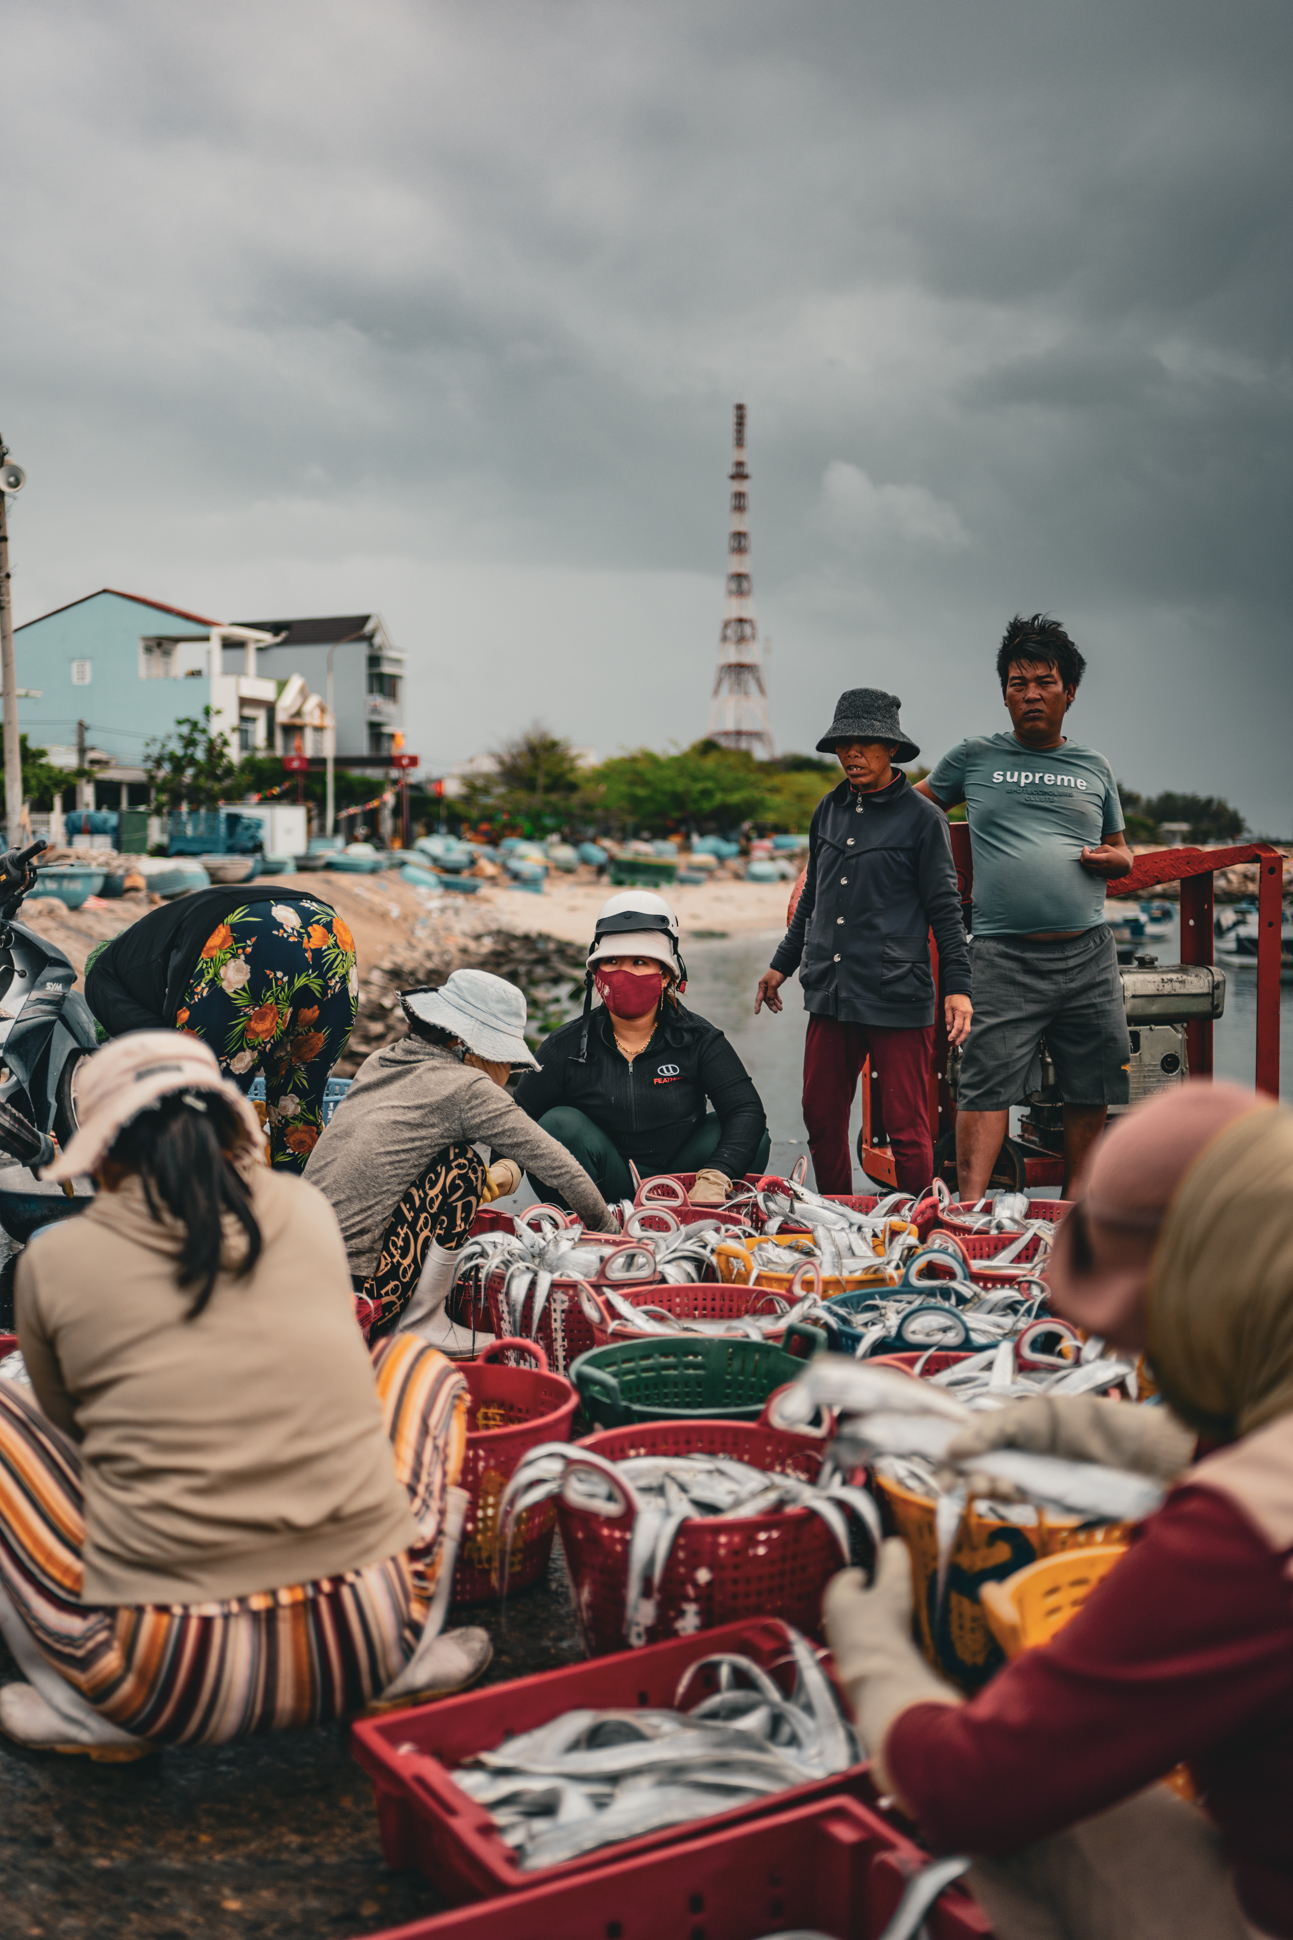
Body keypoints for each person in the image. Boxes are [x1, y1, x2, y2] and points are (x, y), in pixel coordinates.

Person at [822, 1079, 1293, 1940]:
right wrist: (1065, 1423)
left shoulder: (1239, 1541)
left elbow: (973, 1784)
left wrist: (872, 1649)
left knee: (1019, 1822)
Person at [0, 1032, 490, 1759]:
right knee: (415, 1365)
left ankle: (86, 1716)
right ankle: (411, 1663)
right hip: (370, 1641)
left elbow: (72, 1430)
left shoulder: (59, 1257)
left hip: (160, 1685)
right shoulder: (301, 1209)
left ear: (101, 1150)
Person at [915, 614, 1133, 1199]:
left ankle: (1076, 1213)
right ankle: (968, 1212)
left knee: (1092, 1088)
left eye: (1044, 680)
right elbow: (910, 814)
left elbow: (1120, 848)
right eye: (1018, 682)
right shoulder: (974, 756)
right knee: (984, 1087)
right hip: (1001, 954)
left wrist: (1120, 863)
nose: (1031, 693)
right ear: (1004, 693)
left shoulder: (1095, 766)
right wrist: (829, 856)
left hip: (1088, 954)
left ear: (1070, 691)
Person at [305, 968, 617, 1350]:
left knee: (453, 1157)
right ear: (463, 1045)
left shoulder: (380, 1061)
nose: (508, 1072)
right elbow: (559, 1167)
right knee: (464, 1167)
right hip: (362, 1292)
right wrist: (610, 1231)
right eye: (504, 1059)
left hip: (302, 1266)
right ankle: (422, 1322)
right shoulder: (469, 1089)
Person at [755, 689, 972, 1194]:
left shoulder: (924, 820)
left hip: (898, 992)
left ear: (892, 749)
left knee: (908, 1127)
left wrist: (958, 988)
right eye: (844, 743)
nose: (853, 754)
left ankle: (919, 1222)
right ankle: (836, 1209)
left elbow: (946, 912)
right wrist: (780, 965)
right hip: (831, 990)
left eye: (866, 743)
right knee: (821, 1115)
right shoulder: (827, 809)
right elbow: (812, 898)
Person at [513, 892, 770, 1208]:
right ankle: (591, 1225)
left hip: (683, 1187)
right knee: (558, 1123)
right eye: (611, 961)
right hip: (602, 1190)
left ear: (664, 975)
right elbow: (517, 1117)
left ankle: (701, 1210)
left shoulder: (698, 1039)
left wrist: (717, 1174)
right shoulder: (565, 1045)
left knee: (750, 1135)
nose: (623, 973)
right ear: (595, 974)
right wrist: (506, 1167)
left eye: (639, 961)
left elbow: (747, 1110)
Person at [85, 883, 359, 1173]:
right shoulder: (153, 940)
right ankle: (296, 1211)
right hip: (328, 930)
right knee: (297, 1107)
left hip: (244, 932)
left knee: (205, 1106)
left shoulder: (100, 978)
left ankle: (204, 1211)